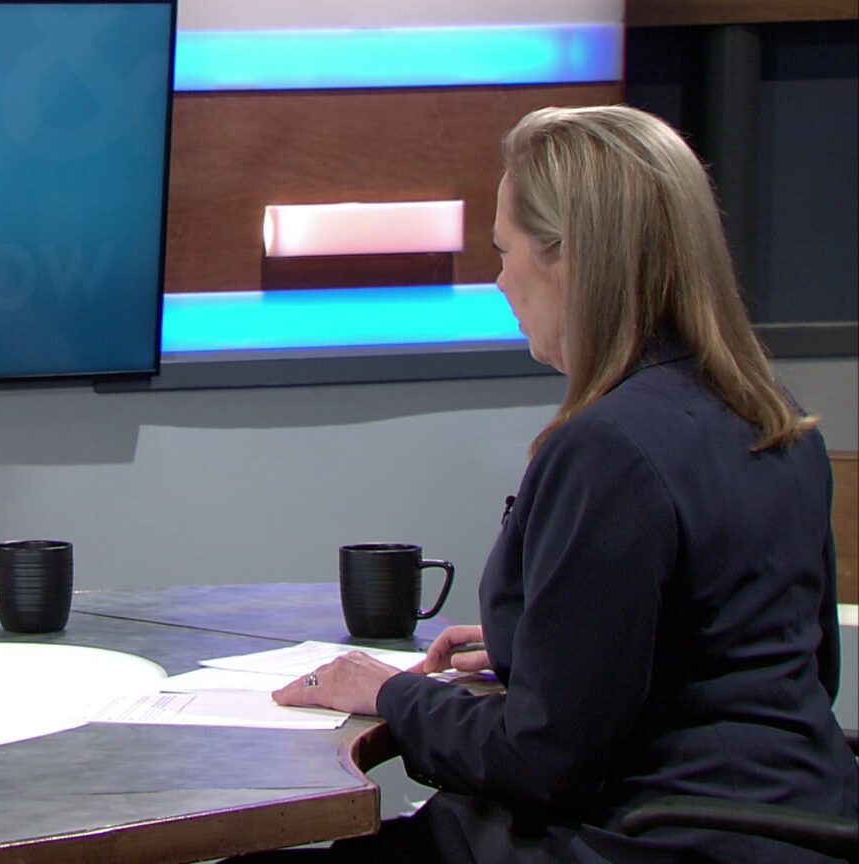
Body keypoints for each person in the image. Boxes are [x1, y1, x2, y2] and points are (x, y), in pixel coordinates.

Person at [246, 106, 857, 862]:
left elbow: (545, 764)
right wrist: (540, 649)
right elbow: (790, 669)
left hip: (653, 838)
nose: (499, 280)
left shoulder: (608, 449)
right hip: (796, 825)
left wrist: (393, 694)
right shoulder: (777, 419)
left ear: (569, 257)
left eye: (505, 251)